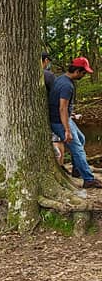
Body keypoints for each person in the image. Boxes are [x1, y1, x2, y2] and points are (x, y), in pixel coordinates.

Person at [49, 57, 101, 189]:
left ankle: (77, 169)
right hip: (60, 121)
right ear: (77, 71)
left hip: (63, 118)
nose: (84, 76)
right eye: (84, 73)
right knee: (77, 148)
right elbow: (62, 108)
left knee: (82, 139)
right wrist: (67, 130)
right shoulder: (67, 85)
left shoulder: (61, 79)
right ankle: (88, 179)